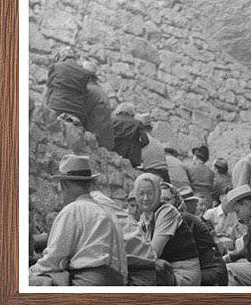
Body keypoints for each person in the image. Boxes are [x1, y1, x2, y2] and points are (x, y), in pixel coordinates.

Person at [29, 155, 127, 286]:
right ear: (89, 183)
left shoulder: (73, 209)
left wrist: (29, 273)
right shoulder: (108, 213)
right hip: (115, 282)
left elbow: (53, 258)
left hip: (88, 282)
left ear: (64, 184)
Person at [133, 172, 202, 285]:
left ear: (157, 193)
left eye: (150, 193)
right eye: (141, 194)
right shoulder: (144, 218)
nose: (145, 198)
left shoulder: (167, 211)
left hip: (183, 274)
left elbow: (153, 252)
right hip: (166, 269)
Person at [168, 185, 228, 286]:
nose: (197, 206)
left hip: (208, 273)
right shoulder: (187, 219)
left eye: (167, 200)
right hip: (209, 270)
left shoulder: (185, 219)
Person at [45, 51, 90, 128]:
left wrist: (46, 107)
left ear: (62, 58)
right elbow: (84, 94)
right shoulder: (85, 73)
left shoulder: (56, 66)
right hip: (77, 111)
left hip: (56, 106)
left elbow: (48, 89)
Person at [83, 64, 115, 150]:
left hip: (95, 137)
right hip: (104, 139)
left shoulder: (91, 90)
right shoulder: (100, 91)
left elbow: (82, 112)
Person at [204, 185, 242, 254]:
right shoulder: (210, 213)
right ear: (221, 198)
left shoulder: (236, 214)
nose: (231, 200)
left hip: (232, 249)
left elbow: (238, 235)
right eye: (228, 197)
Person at [137, 115, 170, 181]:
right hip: (165, 174)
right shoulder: (156, 141)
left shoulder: (141, 138)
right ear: (151, 128)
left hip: (151, 172)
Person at [186, 144, 217, 209]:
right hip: (208, 201)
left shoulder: (189, 169)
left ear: (196, 157)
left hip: (195, 200)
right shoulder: (211, 172)